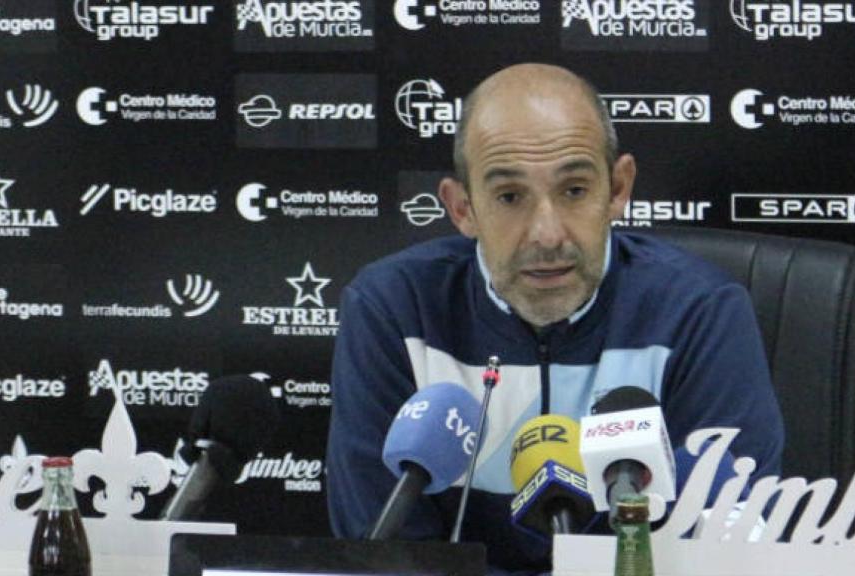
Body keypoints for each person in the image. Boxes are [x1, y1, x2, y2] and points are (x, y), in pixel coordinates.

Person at [326, 63, 783, 573]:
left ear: (618, 189)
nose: (547, 234)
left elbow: (720, 541)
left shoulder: (699, 313)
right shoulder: (394, 309)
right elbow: (383, 548)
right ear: (462, 209)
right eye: (509, 197)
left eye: (574, 191)